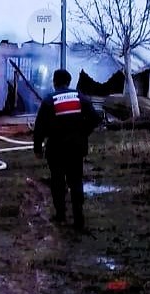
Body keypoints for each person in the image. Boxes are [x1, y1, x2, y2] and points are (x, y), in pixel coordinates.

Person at [33, 68, 101, 231]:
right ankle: (79, 219)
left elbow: (39, 127)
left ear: (55, 82)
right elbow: (95, 118)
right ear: (69, 82)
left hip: (56, 148)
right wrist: (83, 133)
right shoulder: (81, 98)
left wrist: (37, 148)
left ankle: (60, 214)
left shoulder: (50, 100)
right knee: (76, 181)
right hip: (76, 147)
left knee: (57, 181)